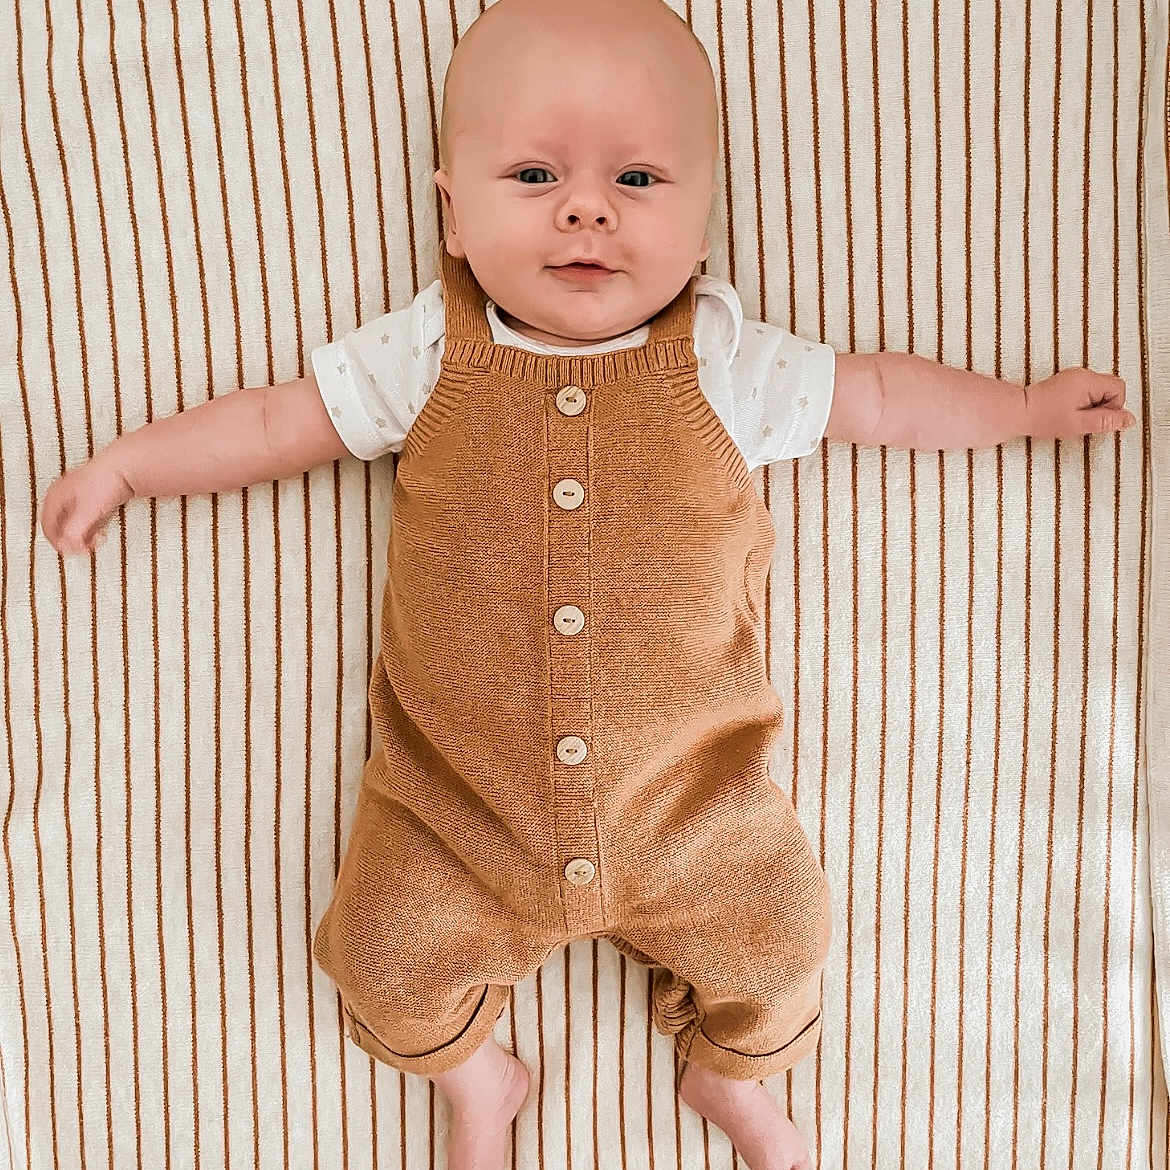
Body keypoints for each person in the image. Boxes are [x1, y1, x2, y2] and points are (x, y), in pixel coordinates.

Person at [38, 1, 1135, 1166]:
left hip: (692, 807)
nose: (586, 208)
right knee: (374, 953)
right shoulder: (429, 353)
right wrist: (129, 466)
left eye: (638, 179)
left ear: (703, 227)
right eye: (534, 175)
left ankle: (731, 1076)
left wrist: (1021, 410)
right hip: (455, 813)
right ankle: (479, 1079)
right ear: (451, 215)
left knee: (785, 935)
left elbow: (877, 396)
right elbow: (273, 422)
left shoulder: (724, 360)